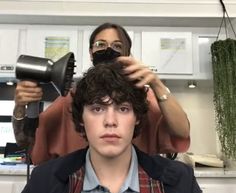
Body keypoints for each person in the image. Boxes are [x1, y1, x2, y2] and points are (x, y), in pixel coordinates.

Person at [1, 62, 236, 193]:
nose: (110, 121)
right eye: (97, 108)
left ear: (136, 118)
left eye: (123, 108)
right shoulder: (45, 182)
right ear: (81, 119)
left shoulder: (177, 182)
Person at [12, 22, 190, 165]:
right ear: (91, 52)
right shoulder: (72, 98)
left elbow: (181, 132)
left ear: (127, 53)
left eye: (117, 46)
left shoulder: (143, 96)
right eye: (100, 44)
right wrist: (20, 106)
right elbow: (28, 141)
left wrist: (156, 84)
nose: (108, 49)